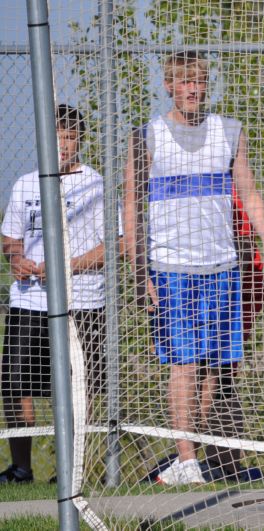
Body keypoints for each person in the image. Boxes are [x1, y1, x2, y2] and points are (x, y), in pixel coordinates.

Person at [123, 51, 264, 486]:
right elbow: (132, 209)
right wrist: (141, 275)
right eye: (184, 81)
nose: (193, 89)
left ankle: (190, 456)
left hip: (222, 266)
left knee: (214, 364)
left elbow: (249, 194)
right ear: (169, 86)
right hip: (171, 268)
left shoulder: (228, 132)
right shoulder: (147, 137)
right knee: (184, 364)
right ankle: (186, 457)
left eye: (199, 81)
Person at [1, 104, 111, 484]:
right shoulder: (26, 184)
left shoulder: (95, 185)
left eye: (69, 137)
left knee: (80, 387)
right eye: (56, 137)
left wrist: (67, 266)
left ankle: (72, 470)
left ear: (80, 139)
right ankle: (21, 469)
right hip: (29, 300)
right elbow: (10, 238)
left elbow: (112, 246)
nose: (62, 145)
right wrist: (16, 259)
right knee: (16, 383)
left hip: (80, 300)